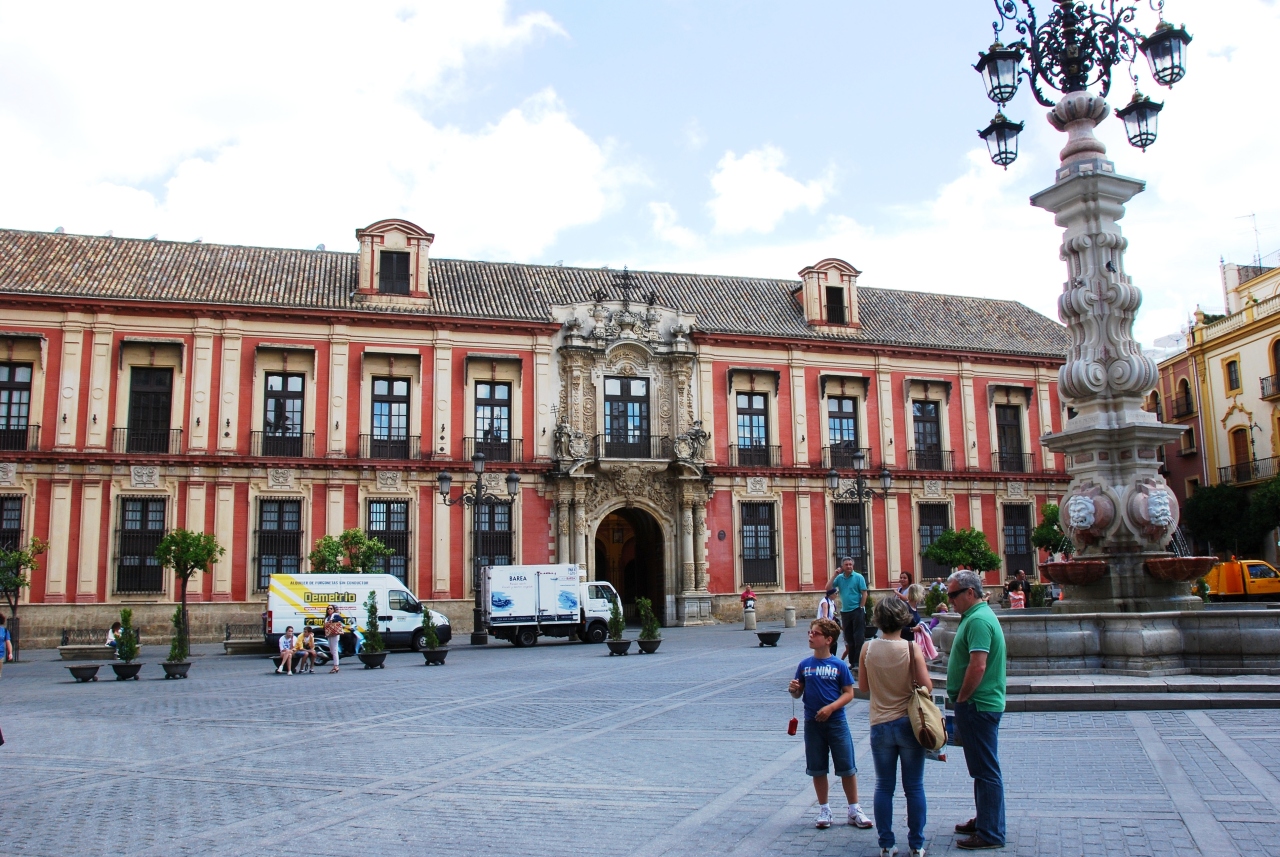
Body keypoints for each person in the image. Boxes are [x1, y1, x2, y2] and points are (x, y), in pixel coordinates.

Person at [859, 596, 932, 857]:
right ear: (903, 619)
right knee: (914, 787)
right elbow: (927, 686)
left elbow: (863, 687)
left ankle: (887, 844)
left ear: (878, 619)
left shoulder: (867, 648)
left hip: (880, 723)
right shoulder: (911, 649)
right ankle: (917, 844)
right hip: (908, 723)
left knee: (883, 787)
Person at [788, 618, 873, 832]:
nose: (810, 636)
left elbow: (849, 693)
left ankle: (854, 809)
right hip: (813, 723)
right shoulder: (804, 665)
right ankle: (824, 808)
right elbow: (798, 693)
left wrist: (831, 708)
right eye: (810, 632)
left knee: (847, 767)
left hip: (836, 722)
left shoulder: (839, 665)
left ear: (828, 640)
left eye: (815, 633)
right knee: (817, 768)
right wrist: (794, 690)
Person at [946, 570, 1007, 851]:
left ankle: (991, 832)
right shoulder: (975, 617)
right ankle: (985, 819)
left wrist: (963, 699)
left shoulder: (979, 620)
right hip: (978, 704)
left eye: (953, 595)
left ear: (970, 592)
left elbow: (978, 665)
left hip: (978, 705)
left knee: (985, 770)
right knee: (981, 768)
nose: (950, 600)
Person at [827, 557, 868, 672]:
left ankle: (858, 662)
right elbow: (828, 588)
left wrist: (861, 607)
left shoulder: (859, 577)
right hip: (845, 612)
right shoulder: (839, 578)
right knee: (849, 638)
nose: (849, 566)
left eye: (850, 564)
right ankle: (852, 662)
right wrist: (834, 575)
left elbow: (864, 593)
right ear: (842, 566)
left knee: (858, 637)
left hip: (857, 610)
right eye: (846, 564)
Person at [324, 605, 344, 674]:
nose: (329, 610)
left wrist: (333, 620)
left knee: (335, 650)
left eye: (331, 608)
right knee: (332, 650)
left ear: (333, 609)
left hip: (335, 634)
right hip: (329, 635)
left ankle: (336, 666)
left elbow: (341, 619)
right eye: (328, 609)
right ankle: (335, 665)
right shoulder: (327, 617)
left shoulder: (335, 615)